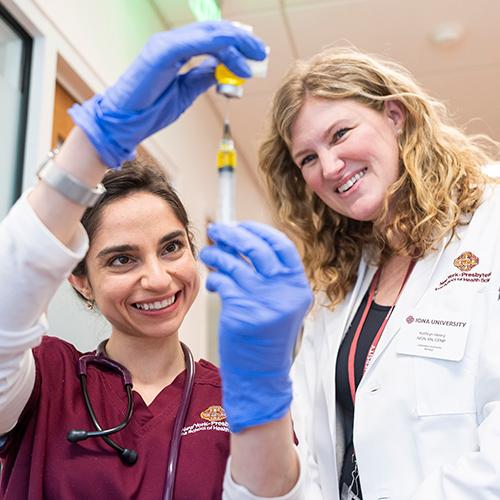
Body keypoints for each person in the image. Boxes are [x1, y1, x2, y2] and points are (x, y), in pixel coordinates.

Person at [201, 47, 500, 499]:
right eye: (308, 158)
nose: (330, 167)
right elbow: (305, 462)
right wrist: (258, 386)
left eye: (340, 134)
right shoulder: (339, 283)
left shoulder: (490, 223)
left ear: (395, 115)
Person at [0, 21, 267, 499]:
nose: (158, 278)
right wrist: (92, 145)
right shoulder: (45, 378)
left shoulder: (236, 397)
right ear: (80, 279)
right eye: (122, 260)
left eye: (171, 247)